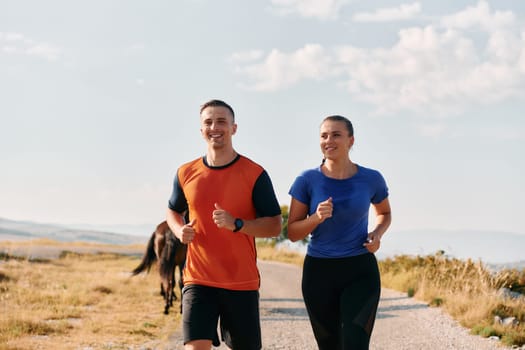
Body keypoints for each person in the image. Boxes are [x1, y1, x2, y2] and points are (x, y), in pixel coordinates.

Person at [166, 99, 282, 350]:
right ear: (201, 130)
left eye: (221, 121)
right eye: (208, 122)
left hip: (241, 281)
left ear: (234, 128)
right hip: (198, 279)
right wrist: (179, 230)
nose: (214, 127)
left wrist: (238, 224)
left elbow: (274, 226)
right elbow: (173, 210)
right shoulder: (185, 172)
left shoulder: (254, 173)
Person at [287, 115, 392, 350]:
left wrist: (377, 234)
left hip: (360, 269)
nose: (328, 140)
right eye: (324, 136)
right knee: (330, 345)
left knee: (355, 342)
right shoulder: (307, 180)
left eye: (336, 135)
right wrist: (316, 218)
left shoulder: (371, 178)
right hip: (319, 272)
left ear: (351, 140)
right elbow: (292, 232)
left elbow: (384, 213)